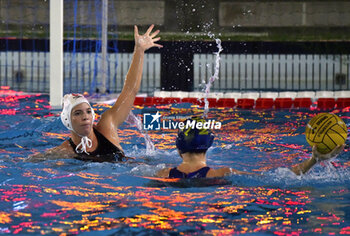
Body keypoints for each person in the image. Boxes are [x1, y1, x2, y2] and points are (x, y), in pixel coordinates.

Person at [27, 25, 162, 162]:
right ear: (67, 121)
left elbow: (130, 90)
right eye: (77, 113)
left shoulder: (107, 126)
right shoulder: (64, 151)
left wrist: (139, 50)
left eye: (88, 111)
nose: (85, 117)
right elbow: (29, 162)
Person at [156, 117, 345, 178]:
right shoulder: (223, 173)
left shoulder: (162, 174)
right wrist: (315, 159)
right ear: (209, 146)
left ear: (178, 148)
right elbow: (279, 176)